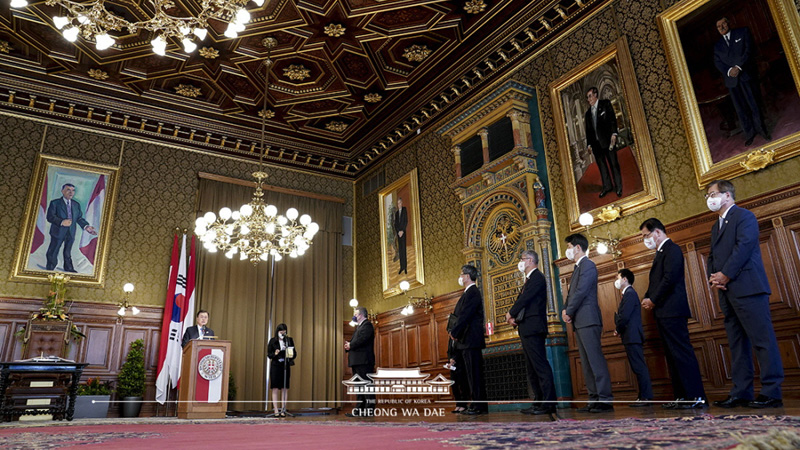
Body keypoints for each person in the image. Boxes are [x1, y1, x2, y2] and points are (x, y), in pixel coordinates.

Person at [706, 180, 783, 408]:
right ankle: (741, 392)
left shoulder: (744, 216)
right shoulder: (716, 225)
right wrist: (714, 277)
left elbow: (745, 246)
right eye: (707, 195)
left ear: (727, 195)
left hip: (748, 288)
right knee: (737, 344)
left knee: (762, 340)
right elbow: (712, 256)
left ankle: (772, 392)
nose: (709, 199)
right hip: (726, 291)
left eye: (713, 194)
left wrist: (725, 274)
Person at [639, 218, 706, 409]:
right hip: (664, 312)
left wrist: (653, 299)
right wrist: (647, 296)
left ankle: (695, 397)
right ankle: (682, 397)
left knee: (682, 354)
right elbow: (656, 281)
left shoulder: (672, 249)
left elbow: (669, 279)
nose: (645, 239)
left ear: (658, 232)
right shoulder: (660, 253)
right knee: (672, 355)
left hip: (673, 311)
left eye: (646, 235)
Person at [561, 233, 614, 412]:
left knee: (595, 361)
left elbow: (582, 291)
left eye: (569, 247)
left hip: (589, 319)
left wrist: (569, 310)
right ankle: (593, 399)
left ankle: (605, 400)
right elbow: (571, 294)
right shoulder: (577, 268)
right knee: (586, 362)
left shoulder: (588, 265)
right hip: (580, 320)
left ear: (577, 247)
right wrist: (565, 308)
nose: (567, 250)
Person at [506, 250, 557, 415]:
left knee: (540, 366)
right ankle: (538, 401)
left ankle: (548, 403)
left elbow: (525, 299)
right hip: (527, 327)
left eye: (522, 259)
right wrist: (515, 318)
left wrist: (511, 313)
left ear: (530, 260)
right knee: (532, 368)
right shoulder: (529, 280)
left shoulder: (537, 277)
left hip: (534, 328)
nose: (520, 262)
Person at [713, 17, 770, 147]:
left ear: (729, 23)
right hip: (731, 80)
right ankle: (750, 134)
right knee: (741, 109)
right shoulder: (717, 46)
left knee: (754, 104)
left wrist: (738, 67)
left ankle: (762, 130)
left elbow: (748, 51)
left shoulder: (742, 32)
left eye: (723, 24)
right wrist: (729, 71)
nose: (721, 27)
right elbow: (717, 62)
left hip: (746, 75)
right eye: (718, 26)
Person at [449, 264, 488, 415]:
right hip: (466, 341)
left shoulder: (473, 292)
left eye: (461, 274)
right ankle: (475, 404)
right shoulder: (467, 293)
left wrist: (455, 331)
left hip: (471, 339)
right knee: (470, 375)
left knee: (475, 374)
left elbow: (465, 315)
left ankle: (479, 406)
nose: (460, 277)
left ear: (466, 276)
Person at [613, 269, 653, 407]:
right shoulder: (628, 294)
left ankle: (646, 398)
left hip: (632, 336)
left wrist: (618, 329)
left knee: (639, 367)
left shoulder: (629, 294)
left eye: (618, 277)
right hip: (630, 336)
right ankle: (643, 396)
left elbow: (625, 316)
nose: (616, 280)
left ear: (624, 279)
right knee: (637, 367)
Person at [45, 183, 98, 272]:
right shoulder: (55, 203)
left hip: (71, 231)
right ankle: (50, 268)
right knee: (53, 250)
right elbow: (50, 217)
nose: (71, 192)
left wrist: (86, 226)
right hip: (58, 231)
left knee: (67, 251)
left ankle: (68, 268)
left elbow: (79, 218)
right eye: (68, 190)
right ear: (62, 191)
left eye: (73, 190)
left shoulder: (76, 204)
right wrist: (61, 222)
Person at [584, 86, 622, 198]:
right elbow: (588, 130)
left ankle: (619, 187)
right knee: (602, 167)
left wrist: (614, 134)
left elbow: (612, 120)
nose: (589, 99)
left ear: (596, 95)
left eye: (590, 96)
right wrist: (589, 144)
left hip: (608, 141)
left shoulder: (605, 104)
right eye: (587, 97)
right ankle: (607, 186)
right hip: (596, 145)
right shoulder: (587, 114)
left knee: (613, 164)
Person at [345, 306, 375, 417]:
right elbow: (357, 340)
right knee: (359, 386)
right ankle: (359, 410)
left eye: (355, 314)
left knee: (366, 385)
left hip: (364, 361)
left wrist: (351, 345)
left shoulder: (367, 325)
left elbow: (362, 339)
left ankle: (369, 410)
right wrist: (349, 345)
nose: (354, 316)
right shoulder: (359, 327)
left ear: (361, 315)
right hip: (357, 361)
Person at [267, 323, 296, 417]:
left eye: (284, 332)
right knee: (275, 387)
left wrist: (289, 352)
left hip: (285, 365)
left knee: (285, 388)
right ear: (277, 332)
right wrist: (275, 353)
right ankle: (276, 410)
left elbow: (294, 353)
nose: (282, 333)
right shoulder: (272, 341)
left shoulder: (289, 340)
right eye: (281, 332)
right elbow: (269, 355)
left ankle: (283, 410)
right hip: (276, 365)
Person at [446, 337, 469, 414]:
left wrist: (454, 359)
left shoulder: (459, 337)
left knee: (463, 385)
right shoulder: (450, 339)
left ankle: (463, 405)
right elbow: (449, 351)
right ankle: (458, 404)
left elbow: (460, 350)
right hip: (452, 366)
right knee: (454, 386)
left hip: (461, 365)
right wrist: (450, 359)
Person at [393, 197, 408, 275]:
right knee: (400, 250)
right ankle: (401, 267)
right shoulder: (396, 213)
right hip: (399, 234)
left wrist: (402, 230)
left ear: (402, 203)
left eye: (400, 203)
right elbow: (395, 224)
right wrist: (398, 231)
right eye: (398, 203)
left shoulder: (404, 210)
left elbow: (405, 221)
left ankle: (405, 267)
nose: (399, 204)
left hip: (403, 233)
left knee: (404, 250)